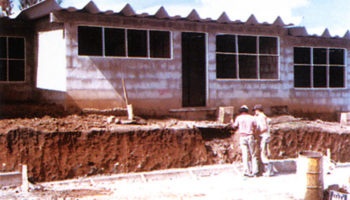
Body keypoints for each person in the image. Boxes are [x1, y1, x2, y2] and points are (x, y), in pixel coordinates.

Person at [232, 105, 259, 177]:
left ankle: (246, 171)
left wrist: (231, 122)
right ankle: (255, 171)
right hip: (250, 136)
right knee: (253, 154)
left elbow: (234, 126)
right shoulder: (251, 117)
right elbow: (256, 126)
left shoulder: (239, 118)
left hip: (242, 137)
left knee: (245, 154)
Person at [253, 104, 274, 176]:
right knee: (265, 153)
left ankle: (268, 171)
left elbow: (264, 128)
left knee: (263, 154)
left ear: (257, 110)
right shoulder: (262, 116)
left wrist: (257, 133)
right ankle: (268, 170)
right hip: (265, 136)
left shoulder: (262, 117)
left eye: (255, 111)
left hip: (264, 136)